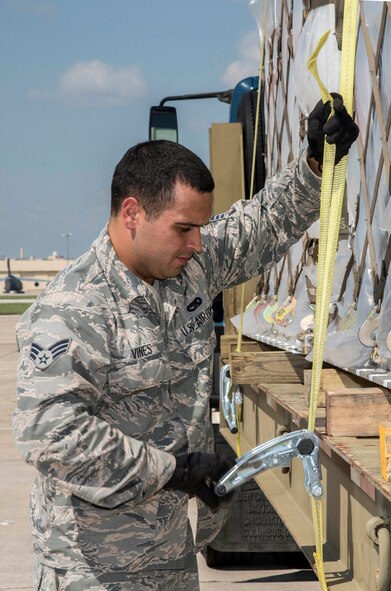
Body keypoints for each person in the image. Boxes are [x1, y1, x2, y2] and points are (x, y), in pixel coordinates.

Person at [13, 94, 358, 591]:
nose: (197, 243)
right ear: (132, 213)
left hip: (171, 549)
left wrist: (313, 164)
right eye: (184, 228)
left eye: (200, 227)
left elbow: (258, 226)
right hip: (94, 566)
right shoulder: (73, 309)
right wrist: (174, 471)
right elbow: (50, 435)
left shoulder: (186, 269)